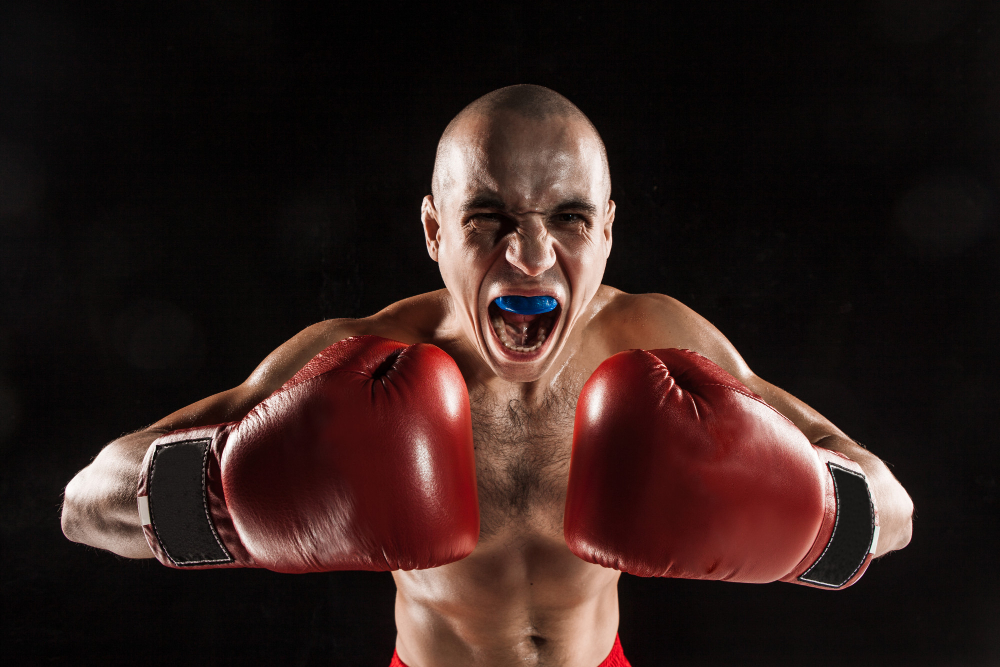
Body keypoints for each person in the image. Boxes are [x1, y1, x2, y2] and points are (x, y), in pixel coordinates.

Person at [61, 85, 914, 667]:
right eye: (490, 217)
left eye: (569, 218)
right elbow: (84, 505)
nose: (532, 253)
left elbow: (895, 511)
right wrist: (224, 499)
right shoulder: (361, 355)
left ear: (609, 230)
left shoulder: (659, 345)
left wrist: (814, 515)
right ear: (434, 230)